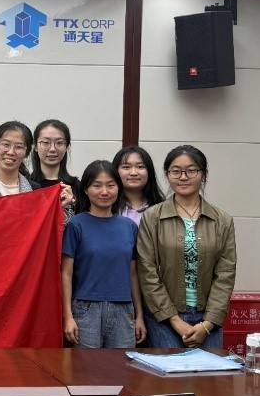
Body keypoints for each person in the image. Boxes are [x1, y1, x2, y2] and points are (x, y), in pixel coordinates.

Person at [137, 145, 236, 349]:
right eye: (176, 171)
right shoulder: (153, 217)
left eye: (191, 170)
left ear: (204, 174)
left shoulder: (222, 221)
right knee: (170, 369)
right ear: (167, 175)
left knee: (208, 370)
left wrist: (207, 324)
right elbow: (147, 271)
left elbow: (225, 275)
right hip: (164, 318)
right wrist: (175, 320)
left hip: (208, 318)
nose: (183, 177)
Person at [61, 160, 146, 348]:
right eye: (97, 186)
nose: (105, 192)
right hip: (85, 309)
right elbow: (66, 273)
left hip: (124, 309)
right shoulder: (76, 225)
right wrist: (68, 316)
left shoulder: (129, 227)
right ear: (85, 189)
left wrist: (139, 315)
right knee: (86, 365)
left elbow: (133, 274)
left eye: (111, 185)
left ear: (119, 188)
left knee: (121, 365)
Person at [29, 119, 80, 219]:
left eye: (59, 143)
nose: (52, 149)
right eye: (45, 142)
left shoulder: (76, 187)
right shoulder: (27, 186)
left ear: (66, 147)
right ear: (35, 147)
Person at [112, 145, 165, 226]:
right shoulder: (108, 207)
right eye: (126, 167)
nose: (133, 173)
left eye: (140, 167)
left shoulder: (162, 208)